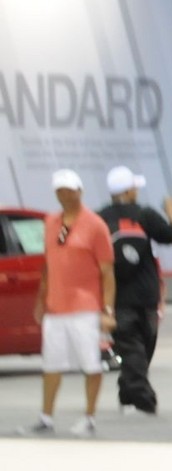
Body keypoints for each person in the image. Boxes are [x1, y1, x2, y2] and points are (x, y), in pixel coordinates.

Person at [24, 170, 114, 437]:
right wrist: (42, 299)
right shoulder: (51, 223)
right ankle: (46, 416)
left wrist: (107, 309)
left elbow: (107, 272)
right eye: (60, 191)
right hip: (55, 307)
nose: (64, 195)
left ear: (80, 191)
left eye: (69, 190)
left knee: (90, 364)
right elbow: (48, 266)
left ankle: (89, 417)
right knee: (51, 364)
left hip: (85, 307)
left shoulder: (95, 225)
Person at [96, 166, 172, 416]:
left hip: (117, 295)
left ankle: (127, 393)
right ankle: (144, 399)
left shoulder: (99, 218)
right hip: (146, 295)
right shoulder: (145, 215)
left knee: (133, 348)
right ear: (129, 190)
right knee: (140, 347)